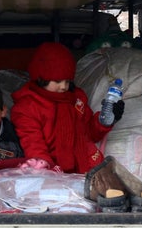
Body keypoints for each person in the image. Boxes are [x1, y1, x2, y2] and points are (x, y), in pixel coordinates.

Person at [10, 42, 124, 174]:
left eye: (68, 81)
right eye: (58, 81)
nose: (64, 86)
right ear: (41, 78)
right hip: (52, 172)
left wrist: (104, 119)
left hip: (86, 168)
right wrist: (43, 165)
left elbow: (90, 132)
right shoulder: (27, 107)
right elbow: (32, 142)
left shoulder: (76, 99)